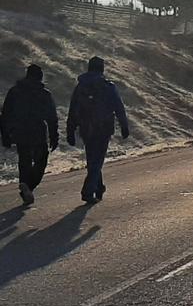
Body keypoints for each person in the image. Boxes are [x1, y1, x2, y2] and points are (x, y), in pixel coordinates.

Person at [66, 56, 129, 204]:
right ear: (102, 69)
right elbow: (118, 107)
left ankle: (99, 188)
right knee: (97, 161)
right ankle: (88, 191)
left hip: (86, 128)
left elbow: (73, 109)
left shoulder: (80, 87)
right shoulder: (107, 86)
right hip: (103, 128)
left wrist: (70, 130)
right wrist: (124, 126)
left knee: (92, 159)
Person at [1, 64, 59, 205]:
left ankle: (24, 185)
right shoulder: (44, 94)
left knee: (24, 159)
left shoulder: (14, 92)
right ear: (40, 77)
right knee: (41, 160)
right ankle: (29, 185)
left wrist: (5, 135)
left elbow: (5, 115)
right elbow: (51, 117)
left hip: (19, 130)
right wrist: (54, 135)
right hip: (37, 130)